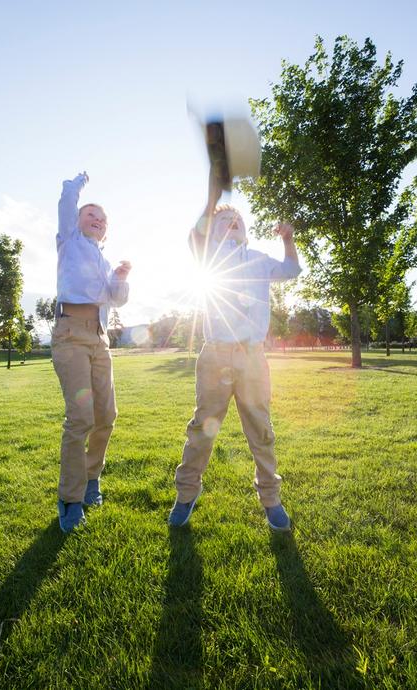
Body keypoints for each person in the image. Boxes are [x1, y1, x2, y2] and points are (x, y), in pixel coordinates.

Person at [168, 167, 301, 530]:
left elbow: (291, 269)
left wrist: (288, 239)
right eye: (224, 220)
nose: (231, 223)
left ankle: (271, 498)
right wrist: (213, 201)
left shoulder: (259, 260)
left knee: (260, 428)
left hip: (252, 356)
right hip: (215, 355)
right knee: (201, 428)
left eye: (237, 221)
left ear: (246, 231)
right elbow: (195, 234)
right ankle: (186, 493)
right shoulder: (208, 257)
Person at [52, 171, 131, 533]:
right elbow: (68, 202)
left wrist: (121, 276)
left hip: (99, 340)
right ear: (77, 221)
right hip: (70, 336)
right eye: (91, 215)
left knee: (107, 415)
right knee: (80, 418)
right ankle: (70, 498)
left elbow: (116, 299)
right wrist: (77, 184)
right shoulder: (69, 240)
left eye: (102, 220)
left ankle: (91, 478)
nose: (97, 220)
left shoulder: (102, 260)